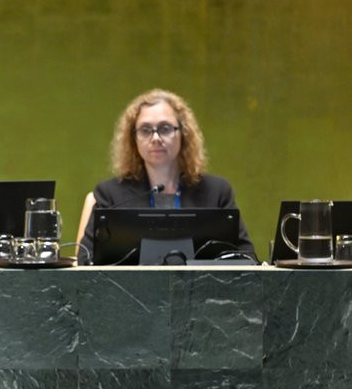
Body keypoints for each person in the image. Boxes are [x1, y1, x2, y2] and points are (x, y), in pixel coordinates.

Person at [78, 88, 254, 263]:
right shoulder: (110, 195)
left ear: (183, 134)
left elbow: (247, 258)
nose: (155, 138)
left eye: (165, 128)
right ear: (133, 138)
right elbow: (86, 259)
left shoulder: (217, 192)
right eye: (145, 130)